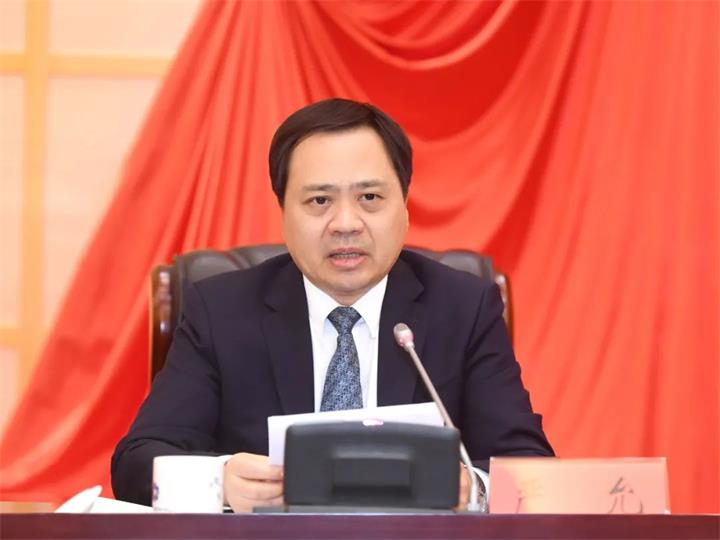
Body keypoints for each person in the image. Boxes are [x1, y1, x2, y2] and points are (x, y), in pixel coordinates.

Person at [111, 98, 553, 512]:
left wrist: (472, 491)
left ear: (405, 207)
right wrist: (220, 480)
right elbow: (136, 462)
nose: (345, 224)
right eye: (319, 200)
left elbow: (532, 470)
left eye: (370, 198)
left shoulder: (463, 308)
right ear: (283, 211)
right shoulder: (222, 311)